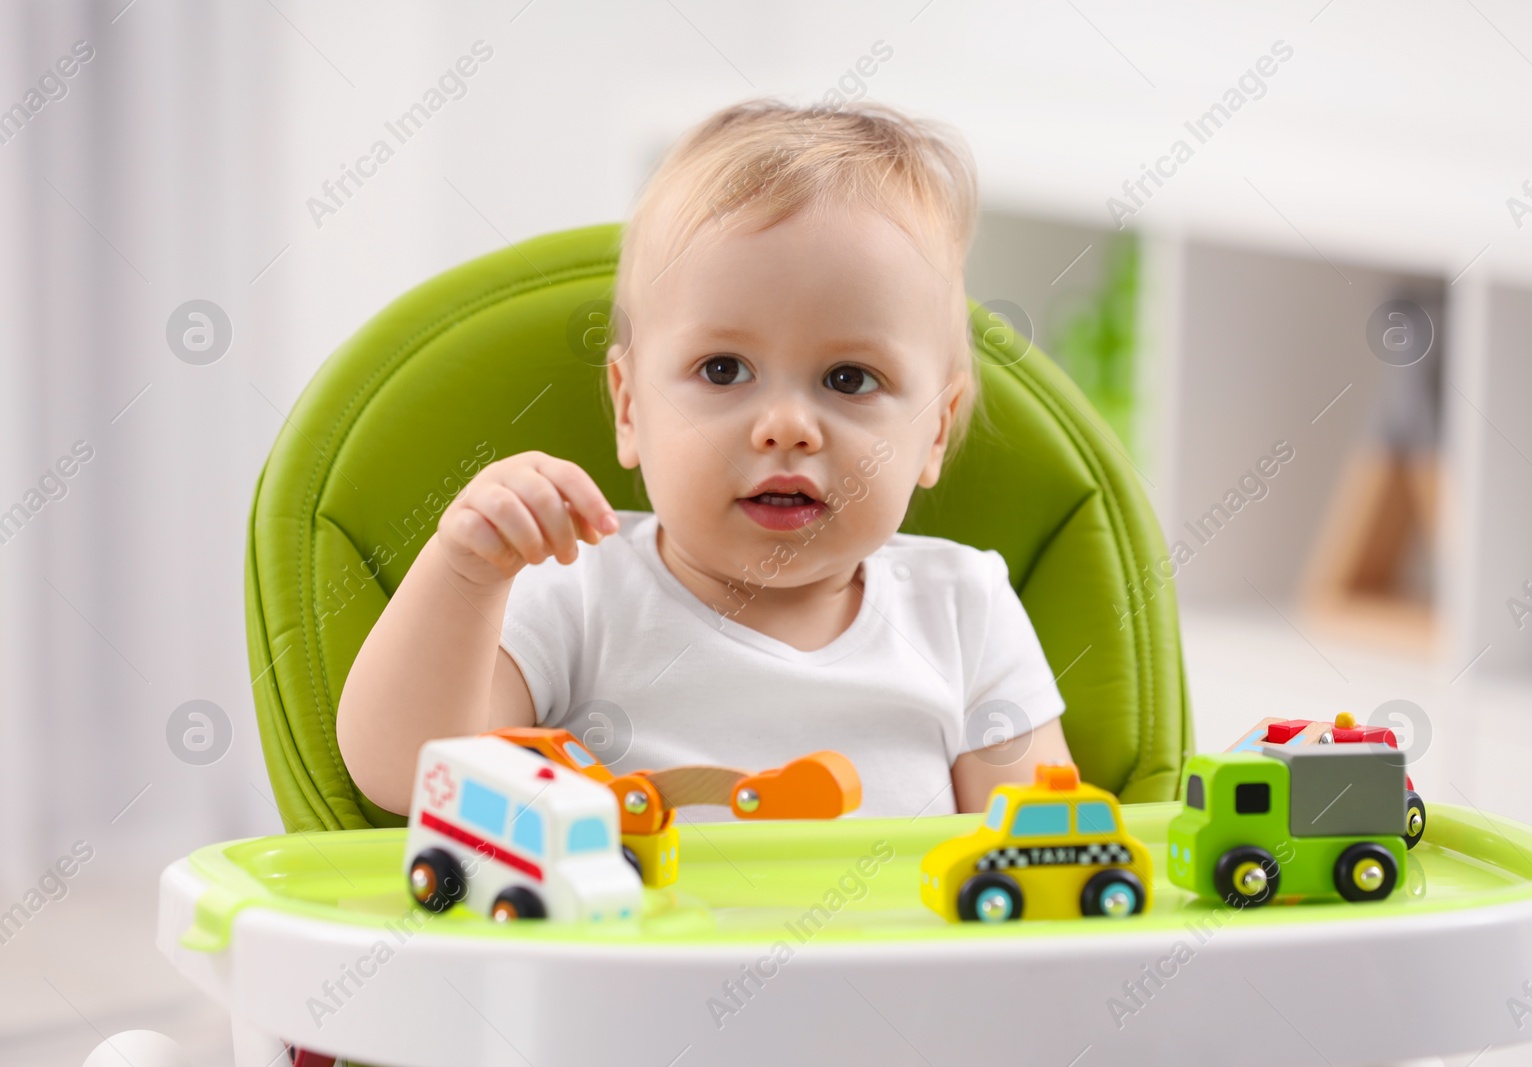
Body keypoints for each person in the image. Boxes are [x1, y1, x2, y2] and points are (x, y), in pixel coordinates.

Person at [337, 98, 1071, 821]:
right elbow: (409, 775)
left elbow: (1045, 858)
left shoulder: (964, 610)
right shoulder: (577, 592)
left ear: (935, 432)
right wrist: (468, 571)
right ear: (630, 409)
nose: (786, 428)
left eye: (849, 378)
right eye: (724, 370)